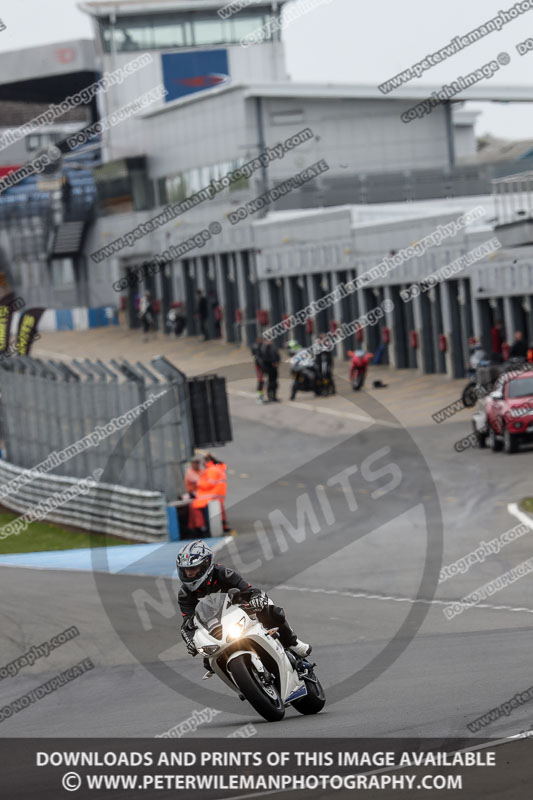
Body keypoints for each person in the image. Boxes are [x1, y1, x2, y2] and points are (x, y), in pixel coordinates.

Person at [177, 540, 311, 673]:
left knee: (271, 611)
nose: (189, 574)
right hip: (215, 628)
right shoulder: (184, 594)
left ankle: (293, 643)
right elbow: (187, 623)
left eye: (193, 569)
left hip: (238, 613)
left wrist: (256, 599)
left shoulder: (223, 574)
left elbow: (249, 590)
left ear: (206, 564)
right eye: (185, 570)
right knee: (207, 662)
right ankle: (241, 685)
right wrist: (190, 641)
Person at [205, 453, 231, 533]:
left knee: (216, 512)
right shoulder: (218, 468)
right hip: (219, 494)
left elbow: (208, 484)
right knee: (220, 511)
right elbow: (223, 464)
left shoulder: (211, 469)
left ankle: (221, 526)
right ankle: (223, 526)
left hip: (214, 495)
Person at [185, 455, 205, 533]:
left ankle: (195, 528)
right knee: (195, 507)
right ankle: (199, 527)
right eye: (194, 463)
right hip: (192, 495)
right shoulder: (190, 472)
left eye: (197, 463)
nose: (196, 464)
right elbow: (199, 481)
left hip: (201, 494)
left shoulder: (201, 471)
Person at [251, 335, 265, 403]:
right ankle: (260, 396)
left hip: (262, 365)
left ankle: (262, 395)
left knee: (262, 381)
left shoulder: (261, 346)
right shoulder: (257, 346)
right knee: (260, 381)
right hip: (259, 366)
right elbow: (256, 357)